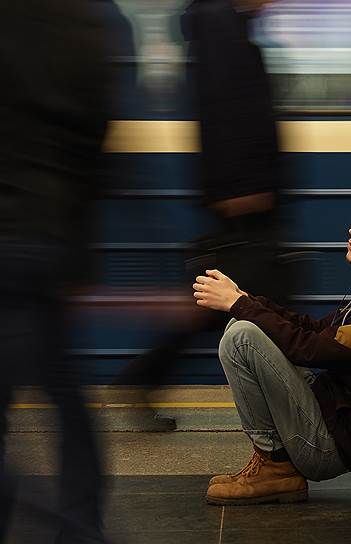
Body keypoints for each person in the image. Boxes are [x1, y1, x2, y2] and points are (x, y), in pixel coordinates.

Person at [192, 194, 351, 505]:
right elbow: (313, 328)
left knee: (243, 337)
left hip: (327, 447)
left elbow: (309, 348)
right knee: (240, 325)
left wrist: (240, 305)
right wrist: (245, 299)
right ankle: (273, 464)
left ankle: (277, 466)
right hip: (329, 413)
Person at [116, 0, 289, 397]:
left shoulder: (228, 25)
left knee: (232, 301)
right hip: (245, 193)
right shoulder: (219, 24)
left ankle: (146, 375)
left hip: (245, 189)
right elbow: (226, 110)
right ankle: (294, 416)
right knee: (261, 302)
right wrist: (242, 189)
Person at [0, 1, 126, 541]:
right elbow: (94, 146)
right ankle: (81, 522)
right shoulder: (90, 25)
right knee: (63, 386)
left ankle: (55, 517)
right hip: (50, 236)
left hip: (7, 231)